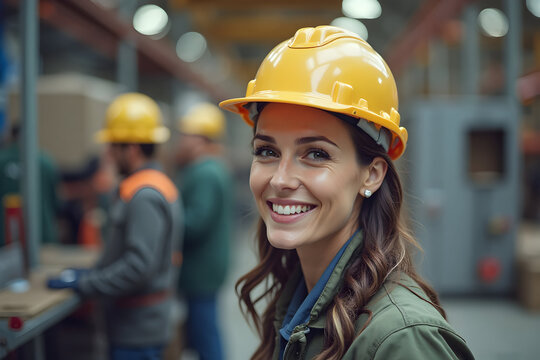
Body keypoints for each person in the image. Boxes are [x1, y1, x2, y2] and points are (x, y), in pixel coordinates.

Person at [219, 26, 474, 360]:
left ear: (371, 175)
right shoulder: (300, 300)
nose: (280, 179)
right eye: (267, 151)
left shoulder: (402, 340)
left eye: (316, 154)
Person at [47, 92, 182, 360]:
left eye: (112, 146)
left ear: (130, 149)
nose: (107, 153)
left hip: (136, 332)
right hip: (138, 327)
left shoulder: (144, 196)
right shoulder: (153, 185)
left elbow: (137, 268)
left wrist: (86, 284)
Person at [173, 102, 232, 360]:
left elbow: (195, 223)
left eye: (186, 135)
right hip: (208, 267)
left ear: (199, 139)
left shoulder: (205, 172)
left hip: (201, 271)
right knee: (202, 332)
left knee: (205, 335)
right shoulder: (214, 167)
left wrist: (164, 223)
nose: (181, 141)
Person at [0, 124, 60, 247]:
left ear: (11, 136)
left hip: (5, 238)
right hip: (42, 235)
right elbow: (56, 203)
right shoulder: (46, 162)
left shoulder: (2, 161)